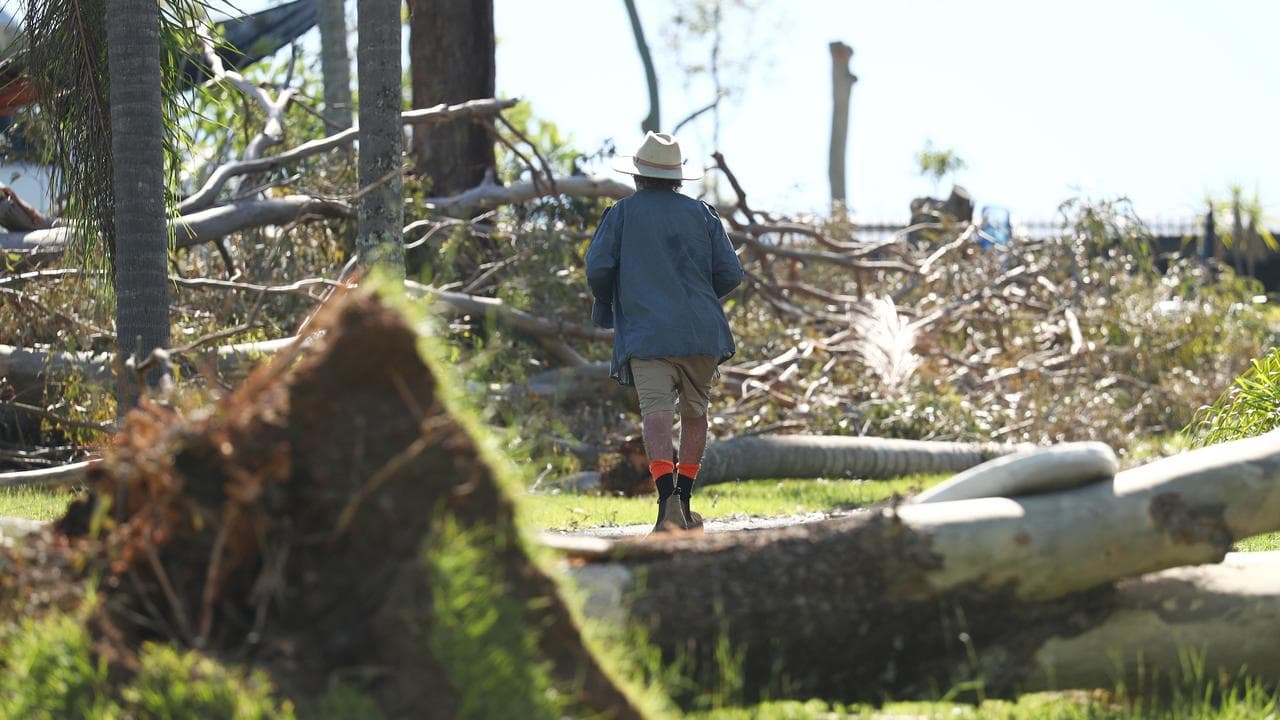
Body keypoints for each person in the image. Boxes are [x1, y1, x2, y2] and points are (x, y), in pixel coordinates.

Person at [585, 131, 743, 533]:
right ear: (677, 178)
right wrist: (699, 298)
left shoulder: (621, 214)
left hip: (647, 333)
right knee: (696, 414)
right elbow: (730, 273)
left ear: (638, 176)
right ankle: (686, 503)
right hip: (700, 333)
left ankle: (665, 505)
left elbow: (598, 268)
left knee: (656, 413)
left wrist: (614, 302)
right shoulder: (704, 214)